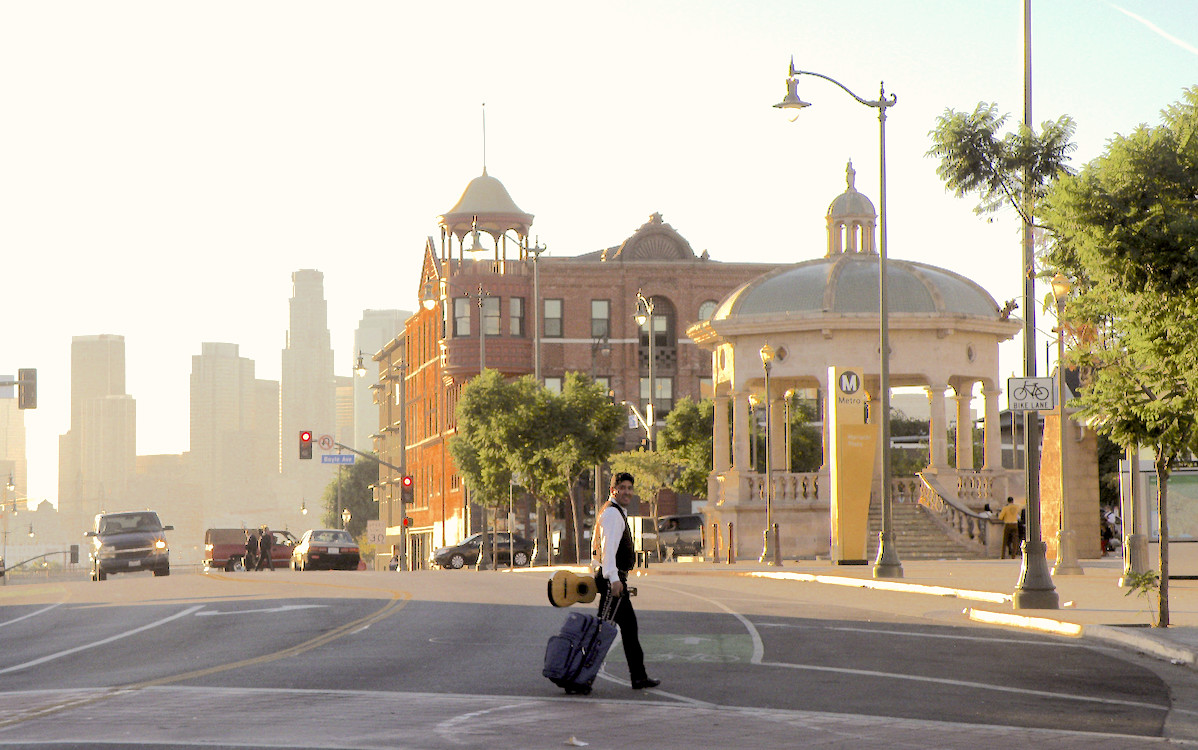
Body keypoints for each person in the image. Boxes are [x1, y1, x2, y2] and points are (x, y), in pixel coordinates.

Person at [594, 471, 660, 690]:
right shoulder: (613, 515)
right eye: (622, 488)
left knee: (621, 629)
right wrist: (613, 579)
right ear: (614, 490)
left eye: (630, 488)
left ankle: (638, 677)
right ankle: (581, 672)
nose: (627, 492)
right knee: (607, 632)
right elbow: (608, 551)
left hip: (613, 579)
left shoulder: (614, 512)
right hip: (613, 581)